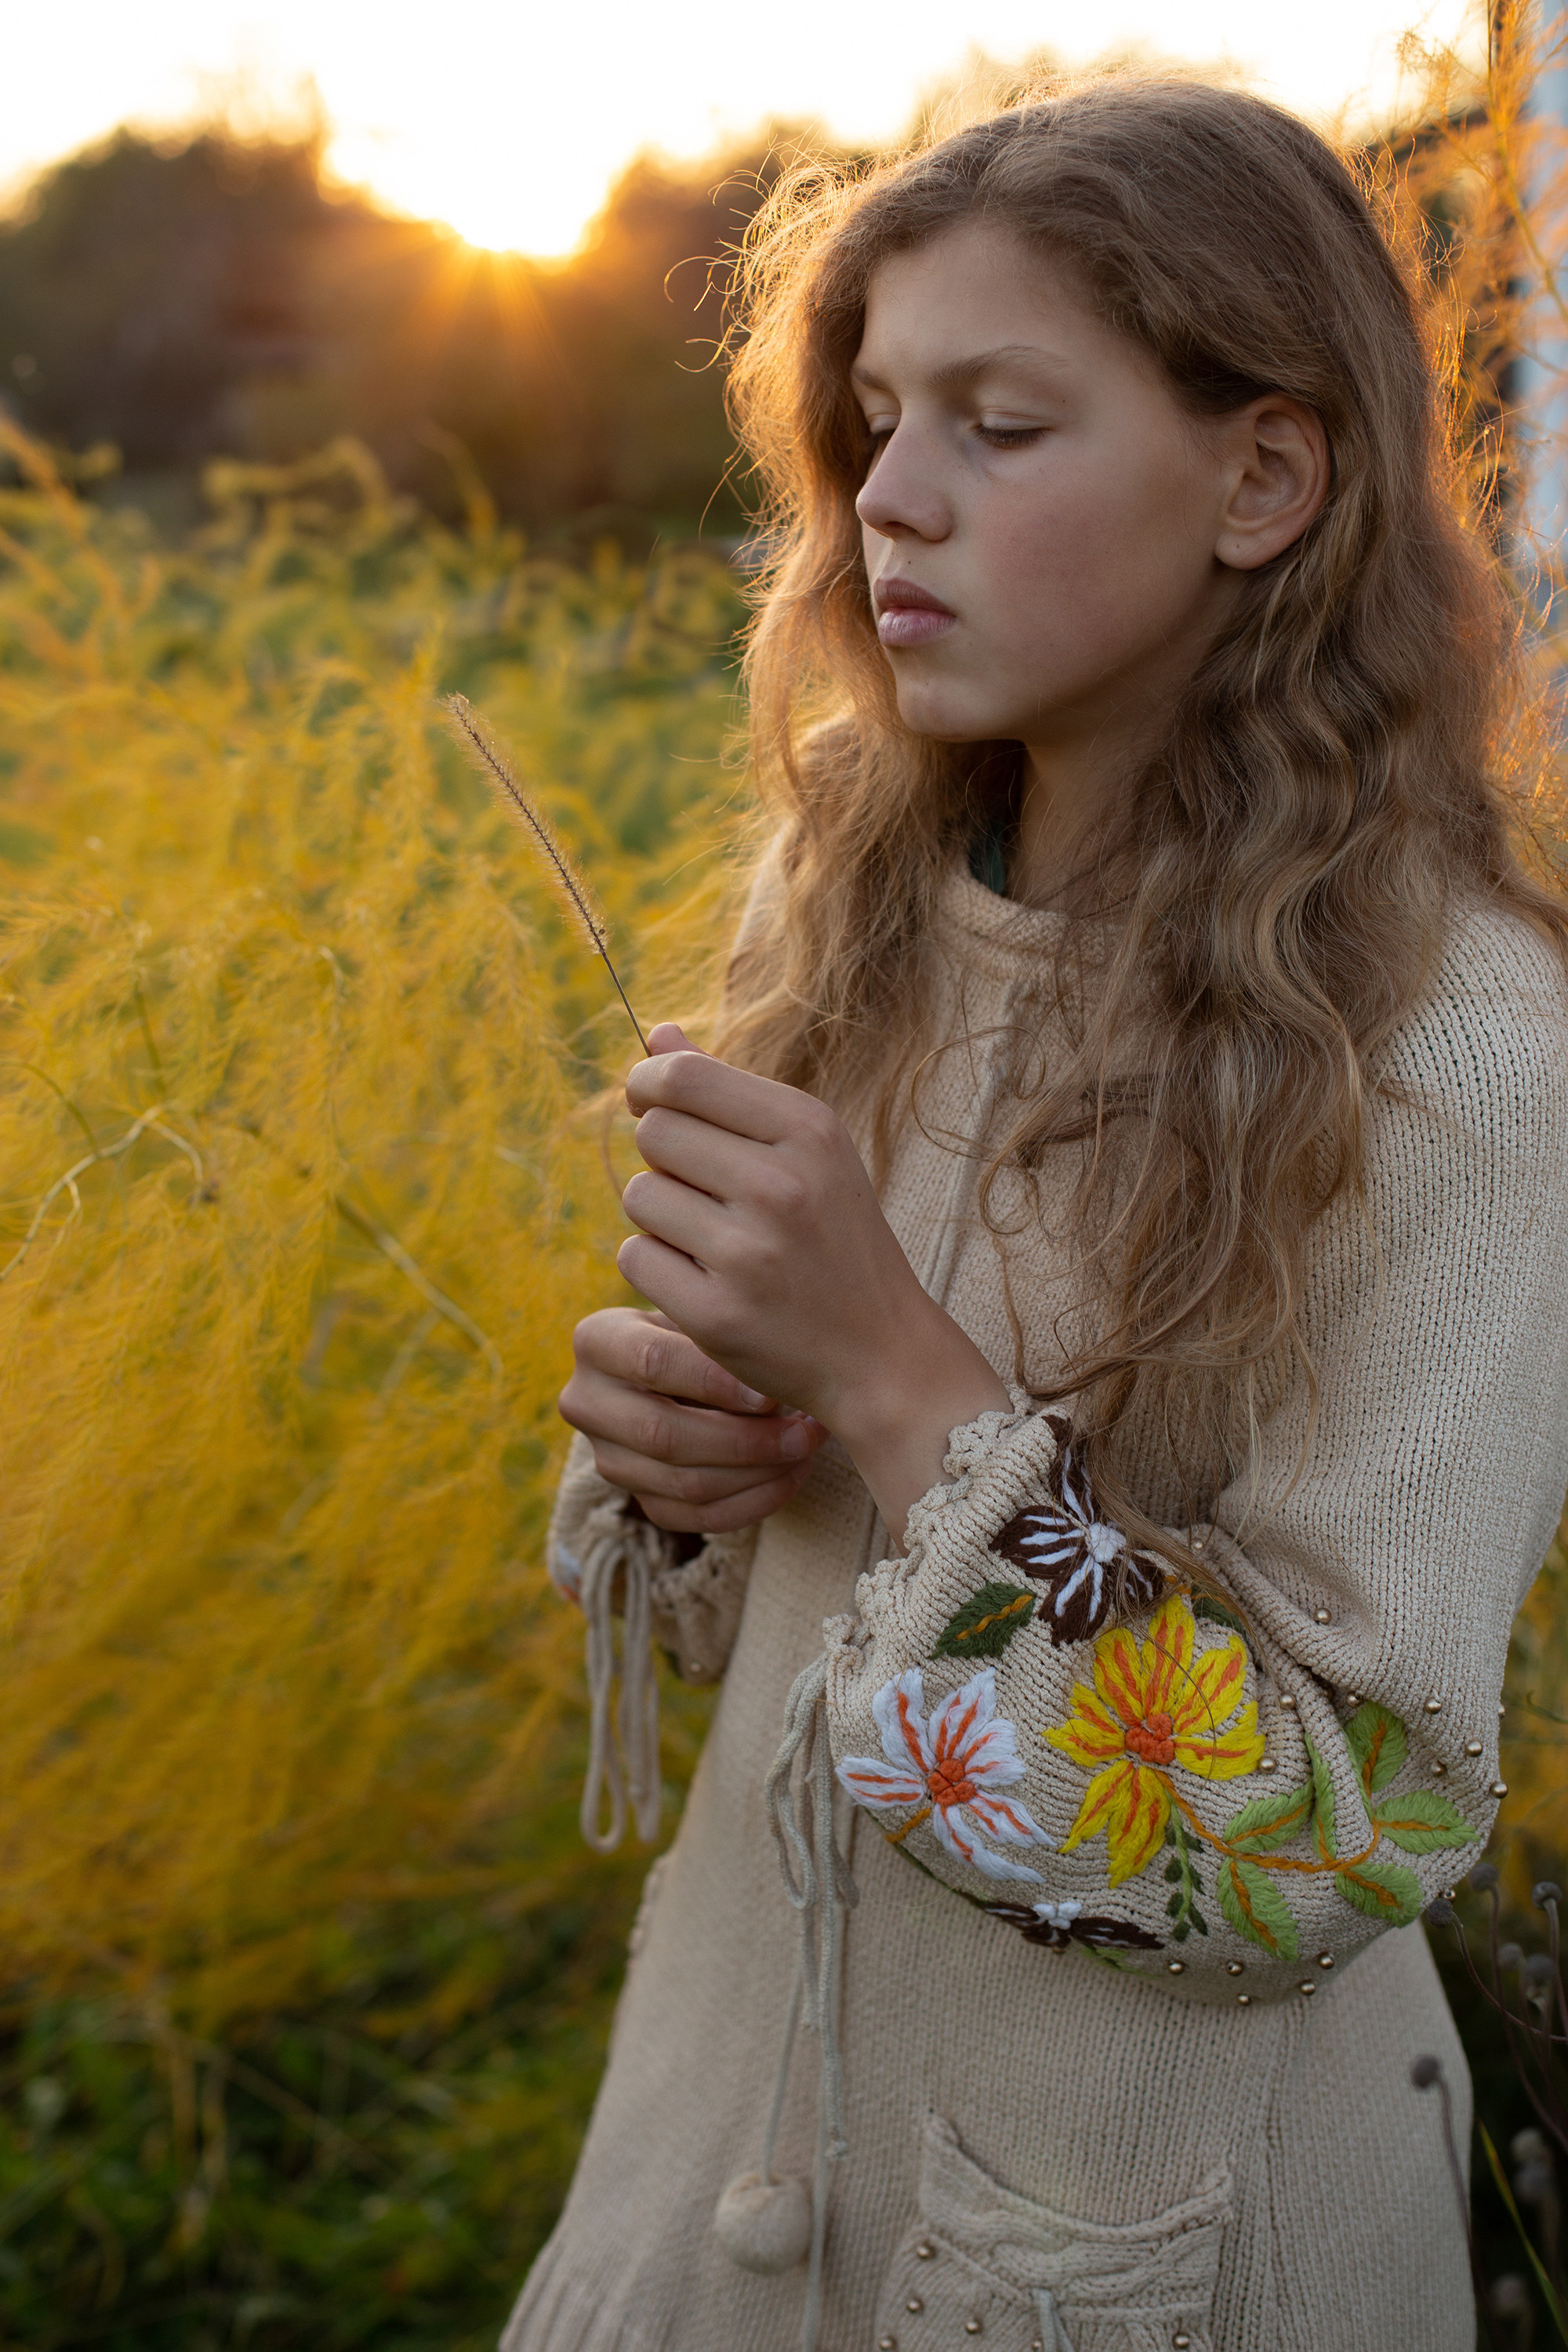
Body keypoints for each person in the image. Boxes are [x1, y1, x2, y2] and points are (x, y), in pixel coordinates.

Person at [503, 78, 1568, 2352]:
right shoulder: (854, 897)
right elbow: (753, 1639)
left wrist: (896, 1384)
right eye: (877, 417)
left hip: (1111, 2260)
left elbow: (1323, 1833)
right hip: (710, 2159)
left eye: (1001, 421)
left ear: (1265, 480)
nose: (886, 497)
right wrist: (688, 1463)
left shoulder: (1470, 1053)